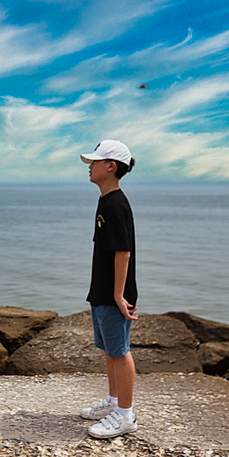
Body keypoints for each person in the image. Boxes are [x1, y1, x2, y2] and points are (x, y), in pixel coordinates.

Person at [78, 139, 139, 439]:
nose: (90, 166)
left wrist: (119, 295)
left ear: (111, 167)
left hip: (114, 294)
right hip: (102, 290)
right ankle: (115, 402)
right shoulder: (106, 200)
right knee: (108, 350)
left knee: (119, 352)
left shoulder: (115, 204)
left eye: (95, 161)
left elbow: (123, 252)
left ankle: (125, 415)